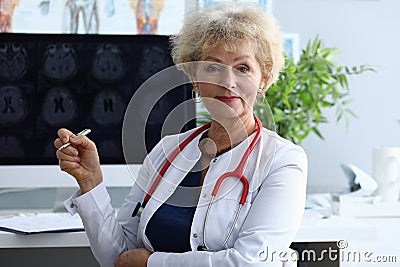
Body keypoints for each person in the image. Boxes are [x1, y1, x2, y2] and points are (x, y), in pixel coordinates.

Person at [54, 4, 307, 267]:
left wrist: (152, 263)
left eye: (243, 68)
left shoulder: (282, 161)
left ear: (263, 78)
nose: (228, 82)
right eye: (212, 67)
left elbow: (252, 262)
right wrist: (91, 181)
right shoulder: (167, 151)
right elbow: (119, 257)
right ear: (194, 77)